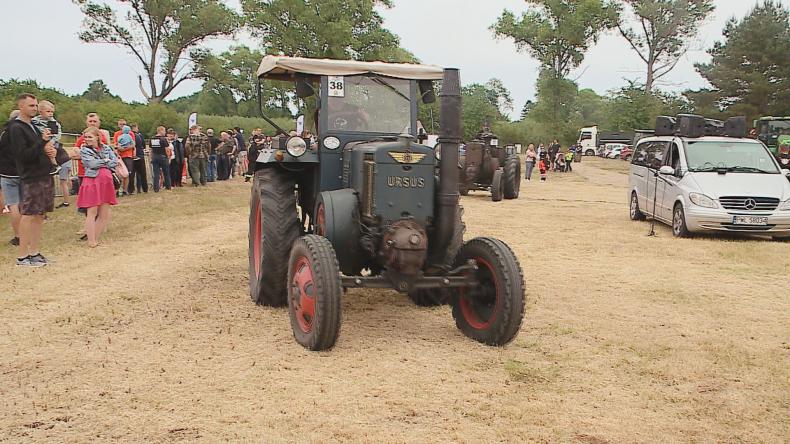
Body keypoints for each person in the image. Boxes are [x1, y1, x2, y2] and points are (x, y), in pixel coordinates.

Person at [7, 93, 57, 266]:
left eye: (36, 105)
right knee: (28, 215)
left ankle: (34, 252)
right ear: (21, 106)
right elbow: (23, 155)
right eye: (31, 106)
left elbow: (38, 149)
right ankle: (22, 256)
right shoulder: (16, 128)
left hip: (43, 174)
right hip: (31, 177)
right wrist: (41, 142)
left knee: (39, 215)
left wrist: (49, 150)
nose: (34, 109)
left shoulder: (33, 126)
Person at [77, 127, 118, 248]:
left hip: (106, 181)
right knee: (92, 211)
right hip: (92, 181)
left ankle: (95, 238)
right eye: (86, 137)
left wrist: (102, 161)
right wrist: (105, 161)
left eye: (90, 136)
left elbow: (114, 162)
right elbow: (90, 164)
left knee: (104, 214)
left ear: (97, 137)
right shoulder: (84, 150)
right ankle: (91, 240)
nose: (87, 139)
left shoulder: (106, 148)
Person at [33, 101, 72, 208]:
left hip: (51, 142)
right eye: (48, 111)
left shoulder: (54, 123)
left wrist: (52, 142)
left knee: (62, 181)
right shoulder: (34, 122)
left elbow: (57, 134)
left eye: (52, 112)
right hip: (40, 143)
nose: (50, 114)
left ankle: (54, 164)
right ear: (40, 112)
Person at [0, 110, 22, 246]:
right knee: (24, 205)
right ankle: (28, 233)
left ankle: (18, 235)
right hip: (23, 172)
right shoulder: (23, 132)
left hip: (7, 173)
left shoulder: (4, 133)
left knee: (14, 205)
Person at [149, 126, 171, 192]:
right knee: (166, 173)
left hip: (155, 157)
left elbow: (151, 149)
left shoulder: (152, 139)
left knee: (156, 173)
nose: (165, 132)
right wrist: (168, 157)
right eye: (164, 131)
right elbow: (167, 149)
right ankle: (168, 187)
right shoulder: (163, 139)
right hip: (163, 157)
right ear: (160, 131)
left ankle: (156, 188)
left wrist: (151, 157)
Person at [130, 123, 148, 194]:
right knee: (142, 174)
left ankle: (131, 190)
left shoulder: (129, 136)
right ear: (136, 128)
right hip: (140, 155)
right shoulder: (139, 135)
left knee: (132, 174)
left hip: (131, 156)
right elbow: (143, 145)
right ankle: (144, 189)